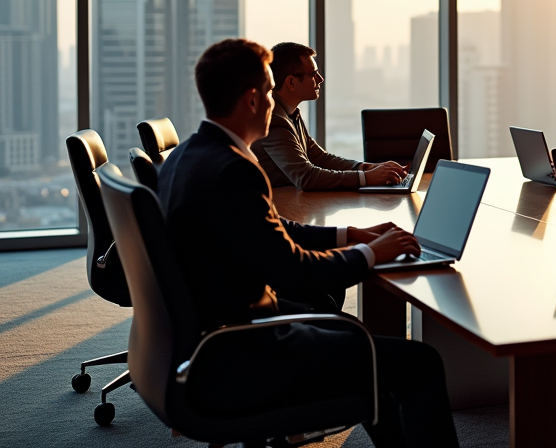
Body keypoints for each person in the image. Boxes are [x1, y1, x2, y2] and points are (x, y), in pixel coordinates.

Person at [158, 38, 459, 447]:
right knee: (419, 363)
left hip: (213, 339)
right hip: (246, 353)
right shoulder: (233, 170)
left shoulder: (188, 155)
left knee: (364, 346)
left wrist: (350, 235)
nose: (271, 100)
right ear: (252, 99)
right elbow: (297, 274)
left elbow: (273, 228)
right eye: (268, 91)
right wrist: (371, 254)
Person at [253, 42, 407, 190]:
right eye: (313, 74)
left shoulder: (289, 113)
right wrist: (366, 177)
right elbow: (306, 177)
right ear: (292, 82)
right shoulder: (274, 119)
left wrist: (367, 167)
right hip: (279, 209)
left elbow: (320, 158)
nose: (320, 79)